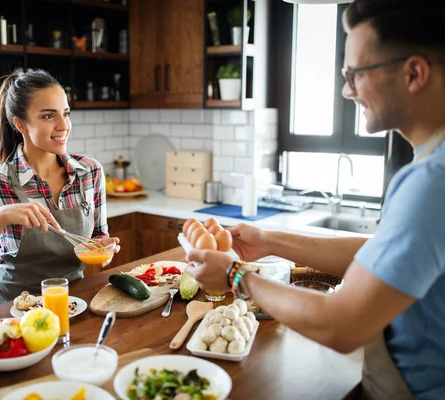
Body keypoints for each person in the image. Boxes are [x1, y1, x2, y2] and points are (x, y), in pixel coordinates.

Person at [186, 1, 445, 399]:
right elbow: (380, 255)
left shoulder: (430, 181)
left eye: (355, 74)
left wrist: (238, 276)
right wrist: (270, 241)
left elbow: (341, 325)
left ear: (414, 72)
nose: (346, 90)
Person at [0, 69, 119, 309]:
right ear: (20, 124)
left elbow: (98, 237)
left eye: (65, 114)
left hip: (69, 305)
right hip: (10, 313)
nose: (63, 125)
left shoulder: (89, 173)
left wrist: (103, 248)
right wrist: (0, 217)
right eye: (48, 116)